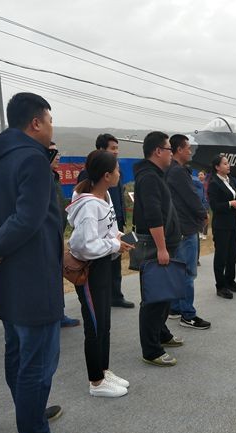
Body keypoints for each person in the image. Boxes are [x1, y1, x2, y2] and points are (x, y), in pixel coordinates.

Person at [0, 92, 80, 433]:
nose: (51, 127)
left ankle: (29, 413)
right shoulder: (32, 159)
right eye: (49, 120)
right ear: (35, 122)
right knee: (37, 364)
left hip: (8, 279)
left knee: (17, 354)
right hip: (34, 279)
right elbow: (27, 220)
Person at [66, 150, 133, 397]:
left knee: (104, 322)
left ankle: (103, 370)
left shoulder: (105, 196)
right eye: (117, 170)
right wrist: (114, 245)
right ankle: (96, 382)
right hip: (91, 269)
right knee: (94, 325)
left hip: (104, 264)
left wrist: (119, 238)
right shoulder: (88, 205)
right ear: (106, 175)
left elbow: (107, 230)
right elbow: (85, 245)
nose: (119, 174)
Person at [133, 131, 183, 367]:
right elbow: (153, 216)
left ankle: (161, 334)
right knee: (154, 297)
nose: (172, 153)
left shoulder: (156, 175)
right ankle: (151, 350)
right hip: (155, 246)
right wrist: (162, 248)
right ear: (157, 151)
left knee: (164, 294)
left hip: (165, 244)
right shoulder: (149, 177)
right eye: (169, 149)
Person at [78, 134, 134, 309]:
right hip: (99, 227)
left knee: (115, 263)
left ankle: (115, 295)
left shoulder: (115, 173)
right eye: (112, 148)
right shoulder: (89, 175)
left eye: (117, 148)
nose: (116, 152)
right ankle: (101, 297)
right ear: (101, 150)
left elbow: (116, 198)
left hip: (114, 221)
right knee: (101, 265)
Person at [165, 134, 211, 329]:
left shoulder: (170, 169)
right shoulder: (178, 171)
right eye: (188, 148)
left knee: (178, 270)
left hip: (178, 226)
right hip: (185, 227)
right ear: (178, 150)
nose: (190, 151)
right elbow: (191, 197)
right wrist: (203, 213)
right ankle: (188, 315)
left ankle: (175, 307)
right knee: (187, 273)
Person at [49, 142, 80, 328]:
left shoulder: (54, 177)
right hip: (47, 238)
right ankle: (52, 315)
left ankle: (58, 313)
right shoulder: (41, 180)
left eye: (58, 152)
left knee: (56, 275)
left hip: (58, 235)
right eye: (53, 153)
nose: (58, 156)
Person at [208, 155, 236, 299]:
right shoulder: (214, 183)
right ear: (217, 167)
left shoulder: (231, 180)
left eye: (228, 163)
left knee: (233, 255)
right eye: (225, 163)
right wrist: (230, 204)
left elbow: (235, 196)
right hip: (221, 225)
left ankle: (230, 280)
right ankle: (220, 286)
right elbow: (214, 206)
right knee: (221, 256)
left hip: (233, 222)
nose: (228, 166)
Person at [195, 170, 209, 239]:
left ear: (205, 176)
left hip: (206, 203)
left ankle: (204, 233)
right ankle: (200, 232)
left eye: (201, 174)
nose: (200, 176)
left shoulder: (207, 184)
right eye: (198, 175)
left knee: (205, 217)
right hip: (198, 203)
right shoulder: (195, 184)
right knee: (199, 218)